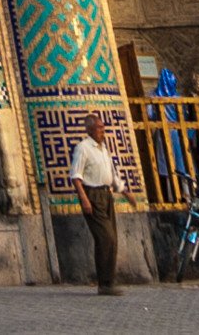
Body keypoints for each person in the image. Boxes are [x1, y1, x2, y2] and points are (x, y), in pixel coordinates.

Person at [66, 123, 124, 296]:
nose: (103, 132)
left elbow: (111, 174)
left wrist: (124, 191)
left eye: (103, 129)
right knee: (107, 237)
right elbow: (76, 176)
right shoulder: (83, 148)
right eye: (99, 129)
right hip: (92, 195)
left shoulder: (103, 149)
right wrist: (84, 199)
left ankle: (108, 281)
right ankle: (105, 283)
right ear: (90, 130)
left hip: (106, 194)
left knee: (110, 239)